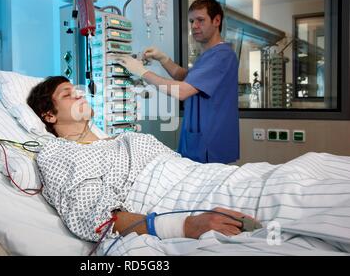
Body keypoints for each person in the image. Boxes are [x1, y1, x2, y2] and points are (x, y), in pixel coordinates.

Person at [27, 76, 256, 243]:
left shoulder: (121, 138)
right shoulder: (60, 152)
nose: (79, 94)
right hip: (171, 198)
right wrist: (186, 225)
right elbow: (97, 216)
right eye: (67, 94)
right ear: (49, 115)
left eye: (77, 90)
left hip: (205, 177)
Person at [112, 0, 239, 164]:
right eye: (192, 21)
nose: (194, 26)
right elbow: (186, 77)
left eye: (200, 20)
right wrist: (163, 59)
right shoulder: (208, 55)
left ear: (217, 20)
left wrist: (142, 72)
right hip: (200, 142)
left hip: (209, 146)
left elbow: (184, 90)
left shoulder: (221, 55)